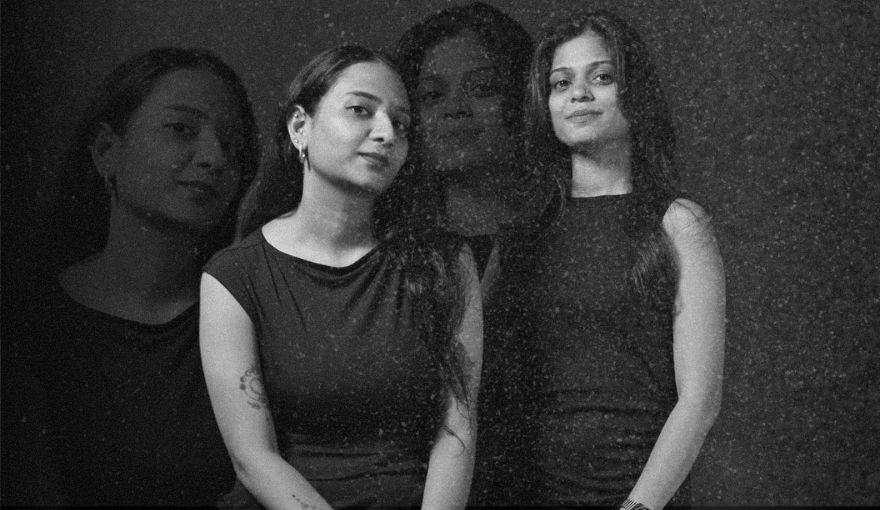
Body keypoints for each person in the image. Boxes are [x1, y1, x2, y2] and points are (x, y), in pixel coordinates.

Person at [201, 44, 483, 509]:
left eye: (401, 123)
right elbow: (253, 458)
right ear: (300, 127)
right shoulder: (234, 276)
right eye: (360, 110)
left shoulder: (446, 263)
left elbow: (458, 430)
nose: (386, 133)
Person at [2, 47, 259, 505]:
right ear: (107, 151)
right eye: (181, 129)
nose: (214, 158)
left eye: (231, 145)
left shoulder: (249, 314)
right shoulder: (30, 328)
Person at [491, 10, 726, 508]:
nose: (578, 94)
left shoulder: (678, 223)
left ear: (634, 93)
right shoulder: (519, 237)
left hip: (638, 495)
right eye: (561, 83)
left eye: (601, 77)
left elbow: (699, 401)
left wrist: (638, 506)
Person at [394, 1, 534, 288]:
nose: (454, 108)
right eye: (432, 95)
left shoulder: (564, 235)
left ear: (523, 100)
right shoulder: (388, 251)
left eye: (482, 88)